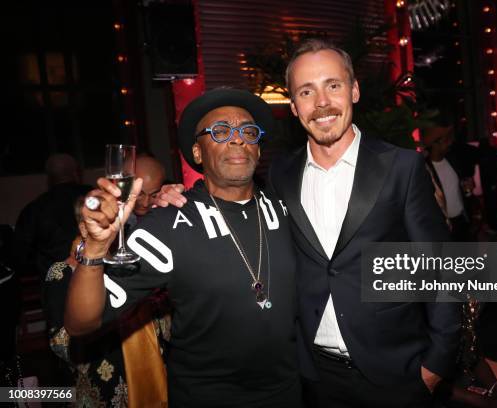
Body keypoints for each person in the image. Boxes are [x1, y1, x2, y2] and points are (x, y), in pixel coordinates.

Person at [156, 40, 461, 408]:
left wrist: (438, 361)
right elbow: (232, 202)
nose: (321, 103)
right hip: (311, 377)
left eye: (332, 85)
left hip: (396, 374)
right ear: (294, 106)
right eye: (306, 91)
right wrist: (168, 195)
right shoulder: (281, 175)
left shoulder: (401, 167)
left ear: (354, 90)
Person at [64, 88, 300, 407]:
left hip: (287, 393)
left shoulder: (287, 207)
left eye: (248, 131)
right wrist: (94, 248)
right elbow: (81, 323)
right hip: (206, 398)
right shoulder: (168, 225)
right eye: (219, 131)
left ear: (258, 148)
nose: (237, 138)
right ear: (197, 153)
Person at [44, 197, 170, 407]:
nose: (114, 226)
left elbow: (163, 328)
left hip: (152, 377)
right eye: (105, 220)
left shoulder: (128, 263)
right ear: (84, 228)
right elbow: (60, 343)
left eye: (116, 219)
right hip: (101, 389)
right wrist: (106, 319)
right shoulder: (62, 272)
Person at [13, 153, 91, 280]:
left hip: (55, 282)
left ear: (49, 178)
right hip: (98, 276)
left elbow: (19, 254)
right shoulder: (94, 197)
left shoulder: (34, 209)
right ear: (76, 173)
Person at [421, 126, 476, 242]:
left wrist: (469, 188)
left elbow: (465, 186)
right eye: (446, 139)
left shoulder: (453, 160)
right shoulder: (424, 169)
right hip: (442, 228)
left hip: (462, 221)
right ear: (435, 144)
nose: (450, 142)